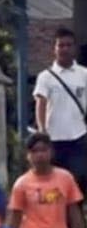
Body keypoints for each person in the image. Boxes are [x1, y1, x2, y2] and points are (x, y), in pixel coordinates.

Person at [32, 27, 87, 193]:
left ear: (75, 48)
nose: (65, 49)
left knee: (79, 179)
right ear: (54, 49)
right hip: (54, 140)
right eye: (60, 45)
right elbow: (41, 103)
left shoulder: (84, 74)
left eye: (68, 45)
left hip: (79, 137)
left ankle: (77, 216)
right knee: (55, 184)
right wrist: (42, 131)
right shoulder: (45, 77)